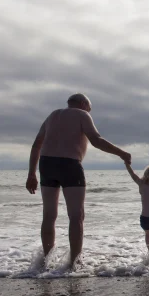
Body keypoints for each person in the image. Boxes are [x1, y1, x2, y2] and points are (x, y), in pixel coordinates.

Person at [25, 94, 131, 268]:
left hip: (46, 164)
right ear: (83, 104)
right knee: (76, 216)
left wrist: (31, 174)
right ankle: (74, 263)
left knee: (49, 216)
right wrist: (122, 153)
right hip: (69, 164)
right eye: (89, 108)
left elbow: (37, 144)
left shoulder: (52, 115)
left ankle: (46, 262)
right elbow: (96, 140)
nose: (89, 111)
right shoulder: (82, 115)